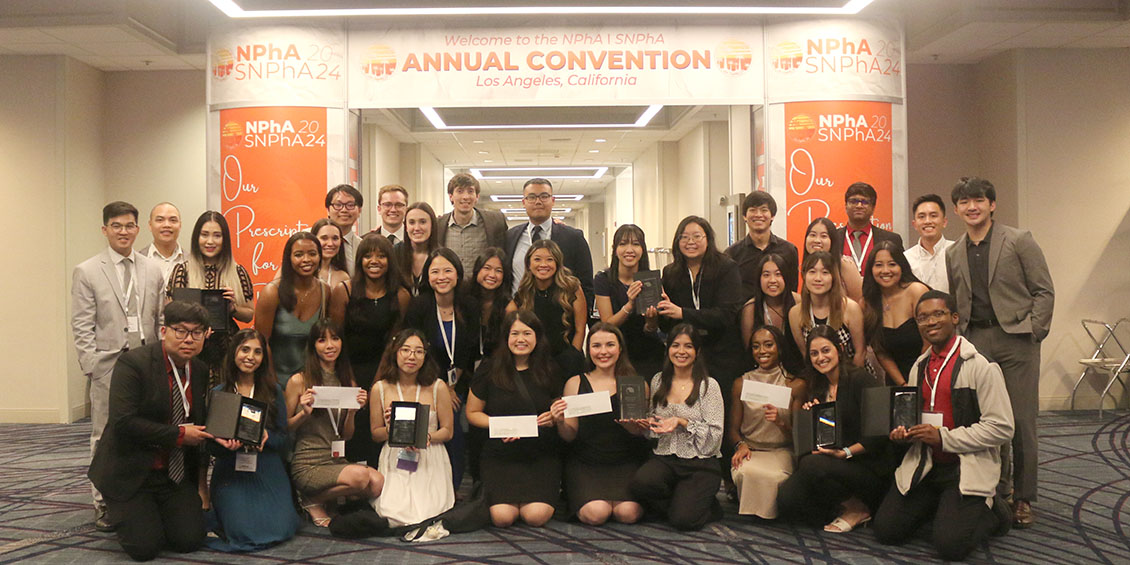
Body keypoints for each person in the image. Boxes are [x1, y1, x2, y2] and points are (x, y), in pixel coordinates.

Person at [873, 290, 1014, 561]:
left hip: (965, 466)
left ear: (954, 317)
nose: (930, 322)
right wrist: (903, 433)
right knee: (887, 531)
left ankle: (995, 511)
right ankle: (945, 508)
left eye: (938, 314)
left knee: (950, 546)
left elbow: (1001, 427)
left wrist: (944, 439)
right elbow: (913, 417)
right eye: (922, 317)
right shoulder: (919, 367)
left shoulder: (981, 366)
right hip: (926, 464)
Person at [945, 177, 1054, 527]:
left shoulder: (1019, 240)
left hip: (1016, 339)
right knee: (984, 421)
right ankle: (994, 490)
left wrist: (1034, 331)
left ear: (992, 204)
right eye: (964, 202)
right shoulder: (954, 251)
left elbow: (1043, 291)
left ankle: (1023, 497)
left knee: (1021, 422)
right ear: (957, 209)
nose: (971, 206)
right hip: (975, 340)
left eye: (978, 200)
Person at [87, 301, 214, 561]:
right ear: (164, 331)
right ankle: (129, 511)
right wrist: (178, 435)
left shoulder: (199, 370)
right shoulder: (134, 364)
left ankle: (156, 514)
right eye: (181, 330)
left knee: (189, 540)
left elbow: (200, 422)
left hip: (173, 475)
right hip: (132, 472)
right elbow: (123, 422)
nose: (188, 339)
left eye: (196, 332)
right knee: (144, 549)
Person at [72, 201, 165, 531]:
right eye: (116, 226)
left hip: (147, 366)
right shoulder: (87, 270)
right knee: (105, 434)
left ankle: (141, 493)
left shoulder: (152, 269)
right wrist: (91, 367)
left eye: (129, 226)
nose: (123, 232)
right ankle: (102, 502)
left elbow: (160, 318)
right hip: (109, 367)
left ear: (138, 229)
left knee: (146, 430)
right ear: (105, 229)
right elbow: (82, 325)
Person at [776, 325, 892, 533]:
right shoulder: (817, 385)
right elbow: (822, 438)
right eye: (814, 353)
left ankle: (858, 507)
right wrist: (811, 418)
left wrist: (845, 453)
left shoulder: (861, 379)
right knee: (787, 500)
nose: (820, 358)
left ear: (838, 349)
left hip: (867, 465)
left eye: (825, 350)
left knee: (811, 464)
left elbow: (880, 434)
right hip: (833, 464)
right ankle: (844, 506)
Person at [466, 311, 564, 528]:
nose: (521, 339)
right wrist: (501, 427)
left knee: (535, 516)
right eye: (515, 333)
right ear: (506, 337)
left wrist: (554, 418)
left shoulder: (550, 369)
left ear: (537, 337)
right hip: (500, 454)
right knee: (502, 517)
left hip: (540, 454)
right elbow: (472, 413)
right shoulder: (489, 368)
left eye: (527, 333)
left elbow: (559, 408)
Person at [205, 328, 299, 552]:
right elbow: (209, 445)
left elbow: (284, 438)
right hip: (231, 469)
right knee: (242, 531)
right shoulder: (219, 392)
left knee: (280, 528)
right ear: (234, 353)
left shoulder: (273, 391)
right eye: (245, 349)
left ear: (263, 358)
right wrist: (224, 446)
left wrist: (267, 438)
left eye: (257, 352)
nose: (250, 357)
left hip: (266, 466)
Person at [286, 319, 383, 527]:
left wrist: (352, 412)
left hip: (335, 457)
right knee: (360, 477)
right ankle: (310, 499)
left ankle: (318, 498)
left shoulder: (348, 382)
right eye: (322, 340)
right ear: (313, 346)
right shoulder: (299, 381)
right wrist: (303, 413)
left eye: (335, 338)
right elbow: (283, 428)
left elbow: (346, 435)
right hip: (308, 461)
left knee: (377, 483)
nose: (330, 345)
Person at [549, 323, 649, 525]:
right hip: (585, 462)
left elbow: (641, 435)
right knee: (596, 513)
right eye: (596, 346)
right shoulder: (575, 383)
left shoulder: (635, 384)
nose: (603, 351)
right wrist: (560, 422)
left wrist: (633, 428)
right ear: (588, 350)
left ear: (620, 348)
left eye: (610, 345)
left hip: (625, 460)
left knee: (628, 513)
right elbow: (569, 435)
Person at [628, 324, 725, 531]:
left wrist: (682, 422)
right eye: (675, 345)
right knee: (640, 484)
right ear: (668, 349)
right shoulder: (658, 380)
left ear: (697, 352)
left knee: (683, 521)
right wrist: (645, 425)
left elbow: (715, 436)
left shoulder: (709, 385)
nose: (681, 351)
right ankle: (684, 502)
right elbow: (654, 427)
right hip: (665, 457)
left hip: (700, 463)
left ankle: (706, 507)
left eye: (688, 347)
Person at [329, 233, 410, 466]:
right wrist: (349, 379)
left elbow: (393, 343)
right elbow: (336, 340)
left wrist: (378, 381)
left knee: (380, 426)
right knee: (350, 429)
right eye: (367, 256)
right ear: (359, 261)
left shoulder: (401, 296)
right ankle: (351, 489)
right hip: (347, 368)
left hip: (385, 371)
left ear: (390, 261)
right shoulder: (343, 291)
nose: (374, 261)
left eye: (381, 256)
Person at [404, 248, 481, 490]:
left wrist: (456, 386)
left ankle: (453, 488)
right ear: (427, 276)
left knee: (456, 428)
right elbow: (414, 351)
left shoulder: (469, 306)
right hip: (424, 381)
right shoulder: (420, 306)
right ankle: (422, 486)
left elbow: (470, 354)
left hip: (461, 384)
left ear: (458, 274)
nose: (442, 277)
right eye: (435, 271)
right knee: (441, 426)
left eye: (447, 270)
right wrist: (442, 387)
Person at [369, 329, 456, 527]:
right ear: (395, 353)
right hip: (395, 455)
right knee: (392, 514)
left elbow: (448, 431)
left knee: (429, 513)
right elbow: (375, 434)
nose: (411, 356)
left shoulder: (438, 387)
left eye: (418, 351)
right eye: (405, 350)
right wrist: (392, 428)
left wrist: (427, 436)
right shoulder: (380, 388)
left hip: (429, 455)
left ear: (425, 356)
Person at [658, 216, 746, 406]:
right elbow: (667, 325)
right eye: (684, 237)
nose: (691, 242)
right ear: (677, 242)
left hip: (721, 353)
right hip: (686, 356)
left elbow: (726, 314)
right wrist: (655, 316)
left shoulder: (726, 268)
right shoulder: (670, 272)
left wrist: (682, 313)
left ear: (708, 239)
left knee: (721, 410)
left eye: (697, 236)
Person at [729, 325, 807, 519]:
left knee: (772, 477)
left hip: (781, 451)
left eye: (768, 345)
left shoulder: (795, 385)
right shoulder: (741, 383)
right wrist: (741, 445)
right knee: (746, 472)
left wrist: (781, 423)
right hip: (751, 450)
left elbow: (800, 438)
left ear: (779, 348)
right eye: (756, 346)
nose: (762, 351)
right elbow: (732, 429)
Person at [166, 211, 254, 376]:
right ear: (196, 238)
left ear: (225, 240)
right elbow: (170, 312)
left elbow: (249, 315)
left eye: (217, 236)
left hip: (226, 350)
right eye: (204, 235)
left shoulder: (238, 272)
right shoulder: (182, 270)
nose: (210, 241)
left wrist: (233, 309)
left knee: (224, 397)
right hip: (190, 348)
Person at [505, 177, 594, 310]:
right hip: (519, 319)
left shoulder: (573, 238)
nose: (538, 201)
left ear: (553, 201)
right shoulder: (510, 237)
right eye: (532, 197)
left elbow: (586, 285)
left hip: (561, 318)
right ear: (524, 202)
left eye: (544, 196)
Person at [255, 232, 328, 385]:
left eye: (312, 254)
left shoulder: (325, 291)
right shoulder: (272, 292)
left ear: (320, 257)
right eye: (299, 254)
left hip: (313, 385)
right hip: (276, 383)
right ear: (289, 258)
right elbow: (261, 343)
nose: (306, 260)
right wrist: (274, 386)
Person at [594, 224, 665, 379]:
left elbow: (652, 329)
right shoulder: (603, 280)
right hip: (615, 353)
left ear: (643, 249)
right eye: (623, 244)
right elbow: (607, 325)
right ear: (615, 249)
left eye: (636, 244)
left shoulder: (652, 281)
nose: (629, 250)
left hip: (648, 353)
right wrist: (630, 304)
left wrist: (651, 322)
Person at [507, 239, 587, 377]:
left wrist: (573, 357)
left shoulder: (572, 288)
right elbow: (507, 316)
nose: (543, 264)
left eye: (549, 259)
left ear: (557, 263)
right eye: (537, 259)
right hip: (535, 364)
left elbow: (580, 330)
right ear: (529, 264)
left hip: (569, 361)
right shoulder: (524, 292)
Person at [861, 241, 929, 385]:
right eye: (878, 265)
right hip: (896, 381)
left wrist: (916, 382)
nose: (885, 270)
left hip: (927, 372)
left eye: (892, 264)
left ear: (902, 267)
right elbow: (880, 351)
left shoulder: (916, 291)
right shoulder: (867, 304)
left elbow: (929, 343)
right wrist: (904, 386)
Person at [789, 251, 867, 368]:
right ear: (804, 276)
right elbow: (806, 355)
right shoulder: (795, 313)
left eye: (825, 272)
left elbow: (860, 353)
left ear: (833, 277)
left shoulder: (850, 308)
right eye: (812, 272)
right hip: (819, 376)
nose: (818, 278)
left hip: (853, 376)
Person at [724, 191, 799, 303]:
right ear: (744, 216)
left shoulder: (789, 250)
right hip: (743, 316)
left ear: (772, 216)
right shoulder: (732, 254)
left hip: (781, 316)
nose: (758, 215)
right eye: (753, 210)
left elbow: (792, 289)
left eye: (764, 210)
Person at [739, 253, 804, 375]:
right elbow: (749, 352)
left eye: (778, 274)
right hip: (762, 374)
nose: (772, 280)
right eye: (766, 275)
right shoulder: (750, 309)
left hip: (796, 373)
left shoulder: (799, 303)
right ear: (759, 279)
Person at [435, 172, 508, 277]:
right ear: (451, 196)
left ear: (477, 197)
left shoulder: (495, 222)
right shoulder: (438, 225)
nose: (465, 197)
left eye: (470, 191)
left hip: (482, 289)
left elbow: (503, 257)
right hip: (450, 288)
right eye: (460, 191)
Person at [836, 182, 904, 276]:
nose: (859, 206)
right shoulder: (833, 238)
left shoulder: (891, 239)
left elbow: (901, 273)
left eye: (865, 202)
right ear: (846, 206)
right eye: (853, 201)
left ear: (873, 208)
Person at [468, 247, 512, 361]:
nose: (492, 275)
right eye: (487, 268)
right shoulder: (464, 298)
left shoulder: (509, 307)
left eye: (498, 270)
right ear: (477, 270)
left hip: (496, 365)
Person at [804, 217, 863, 302]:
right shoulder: (805, 266)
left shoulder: (845, 265)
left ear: (832, 240)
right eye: (813, 235)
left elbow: (859, 301)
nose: (817, 240)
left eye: (824, 236)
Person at [904, 194, 952, 293]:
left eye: (933, 216)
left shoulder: (956, 251)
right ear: (915, 224)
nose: (928, 221)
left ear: (944, 221)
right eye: (922, 217)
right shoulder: (906, 258)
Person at [394, 202, 440, 294]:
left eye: (423, 222)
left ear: (432, 225)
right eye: (411, 222)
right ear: (406, 227)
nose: (417, 228)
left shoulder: (441, 256)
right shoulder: (394, 253)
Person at [138, 202, 185, 283]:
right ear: (150, 225)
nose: (167, 225)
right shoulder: (136, 261)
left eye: (173, 220)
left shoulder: (192, 262)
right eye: (160, 220)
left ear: (180, 225)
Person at [325, 184, 364, 275]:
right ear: (328, 210)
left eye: (350, 205)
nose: (344, 210)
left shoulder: (362, 246)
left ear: (359, 211)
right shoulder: (309, 239)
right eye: (338, 205)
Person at [311, 218, 351, 290]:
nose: (330, 244)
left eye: (335, 238)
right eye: (324, 238)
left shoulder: (343, 277)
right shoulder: (302, 273)